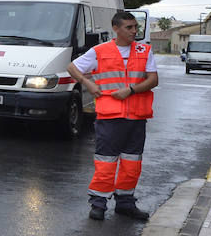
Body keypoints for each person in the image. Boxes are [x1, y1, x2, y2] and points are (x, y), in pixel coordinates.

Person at [66, 11, 159, 221]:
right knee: (106, 163)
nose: (134, 31)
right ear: (116, 29)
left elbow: (153, 80)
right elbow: (72, 67)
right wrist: (88, 83)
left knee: (131, 163)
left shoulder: (145, 50)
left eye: (136, 27)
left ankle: (125, 203)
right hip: (110, 116)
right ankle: (98, 204)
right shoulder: (100, 51)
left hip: (136, 116)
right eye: (129, 27)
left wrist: (131, 90)